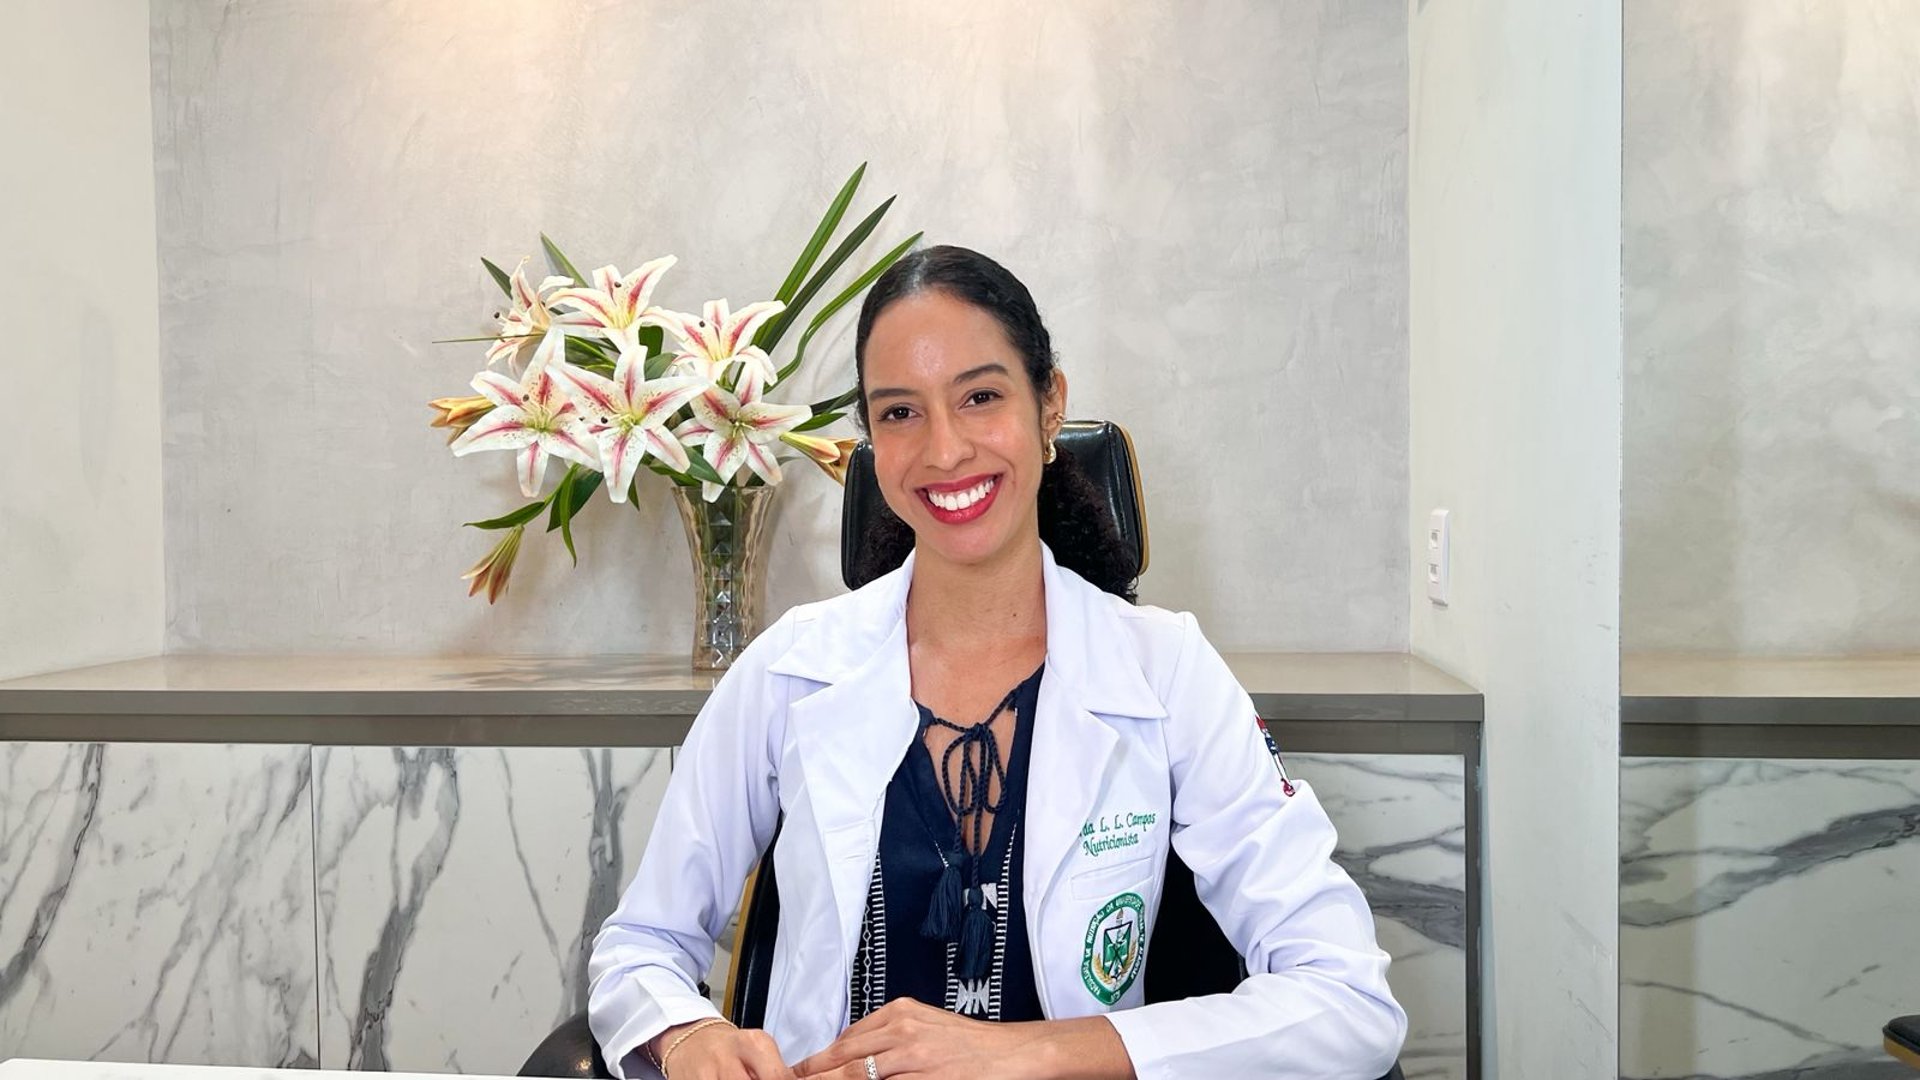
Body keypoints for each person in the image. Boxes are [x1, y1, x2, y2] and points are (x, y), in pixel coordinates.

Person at [587, 246, 1406, 1080]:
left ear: (1049, 406)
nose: (944, 451)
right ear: (871, 439)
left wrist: (1030, 1052)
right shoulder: (790, 673)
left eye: (980, 397)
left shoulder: (1165, 673)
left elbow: (1347, 1000)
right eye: (900, 413)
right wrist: (687, 1037)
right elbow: (639, 946)